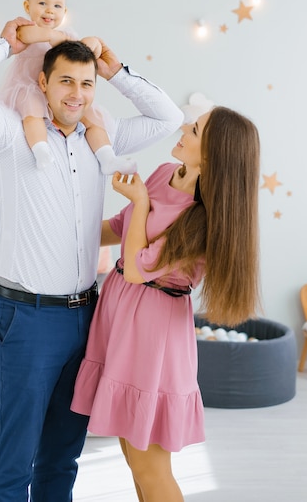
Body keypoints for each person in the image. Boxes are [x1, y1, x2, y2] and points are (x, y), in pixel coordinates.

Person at [0, 16, 184, 502]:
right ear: (43, 83)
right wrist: (4, 45)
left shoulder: (103, 140)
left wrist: (115, 71)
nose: (77, 93)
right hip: (25, 317)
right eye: (66, 80)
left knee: (63, 456)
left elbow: (168, 118)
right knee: (15, 459)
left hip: (86, 318)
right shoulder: (9, 135)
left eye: (86, 83)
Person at [71, 106, 261, 502]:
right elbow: (121, 230)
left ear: (211, 154)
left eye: (193, 129)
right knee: (131, 455)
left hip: (153, 334)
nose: (182, 129)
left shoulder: (204, 219)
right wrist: (66, 233)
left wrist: (141, 203)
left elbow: (141, 268)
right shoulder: (163, 174)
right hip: (122, 316)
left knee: (149, 467)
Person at [0, 0, 136, 174]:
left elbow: (84, 51)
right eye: (42, 3)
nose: (49, 11)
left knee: (91, 118)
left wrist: (92, 43)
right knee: (33, 113)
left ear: (65, 10)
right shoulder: (27, 30)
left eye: (57, 6)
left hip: (60, 94)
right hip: (30, 88)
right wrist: (51, 35)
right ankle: (40, 149)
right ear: (27, 7)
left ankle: (107, 157)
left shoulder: (67, 34)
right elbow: (26, 36)